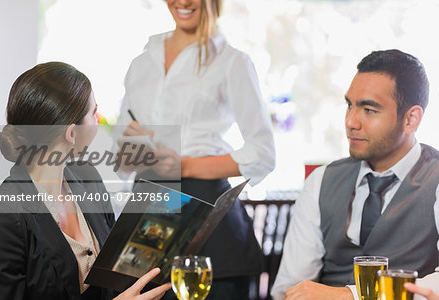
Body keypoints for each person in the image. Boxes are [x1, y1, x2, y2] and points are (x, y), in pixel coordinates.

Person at [114, 0, 275, 299]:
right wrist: (135, 150)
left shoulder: (232, 62)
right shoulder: (141, 62)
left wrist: (183, 166)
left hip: (207, 212)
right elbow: (121, 149)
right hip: (148, 209)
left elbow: (263, 153)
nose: (183, 2)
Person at [0, 62, 171, 300]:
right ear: (72, 133)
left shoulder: (88, 177)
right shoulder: (2, 216)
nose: (99, 117)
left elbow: (111, 273)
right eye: (94, 112)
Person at [271, 49, 439, 300]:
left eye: (369, 110)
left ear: (411, 119)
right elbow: (291, 287)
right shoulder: (320, 181)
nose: (351, 122)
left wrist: (351, 295)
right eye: (350, 105)